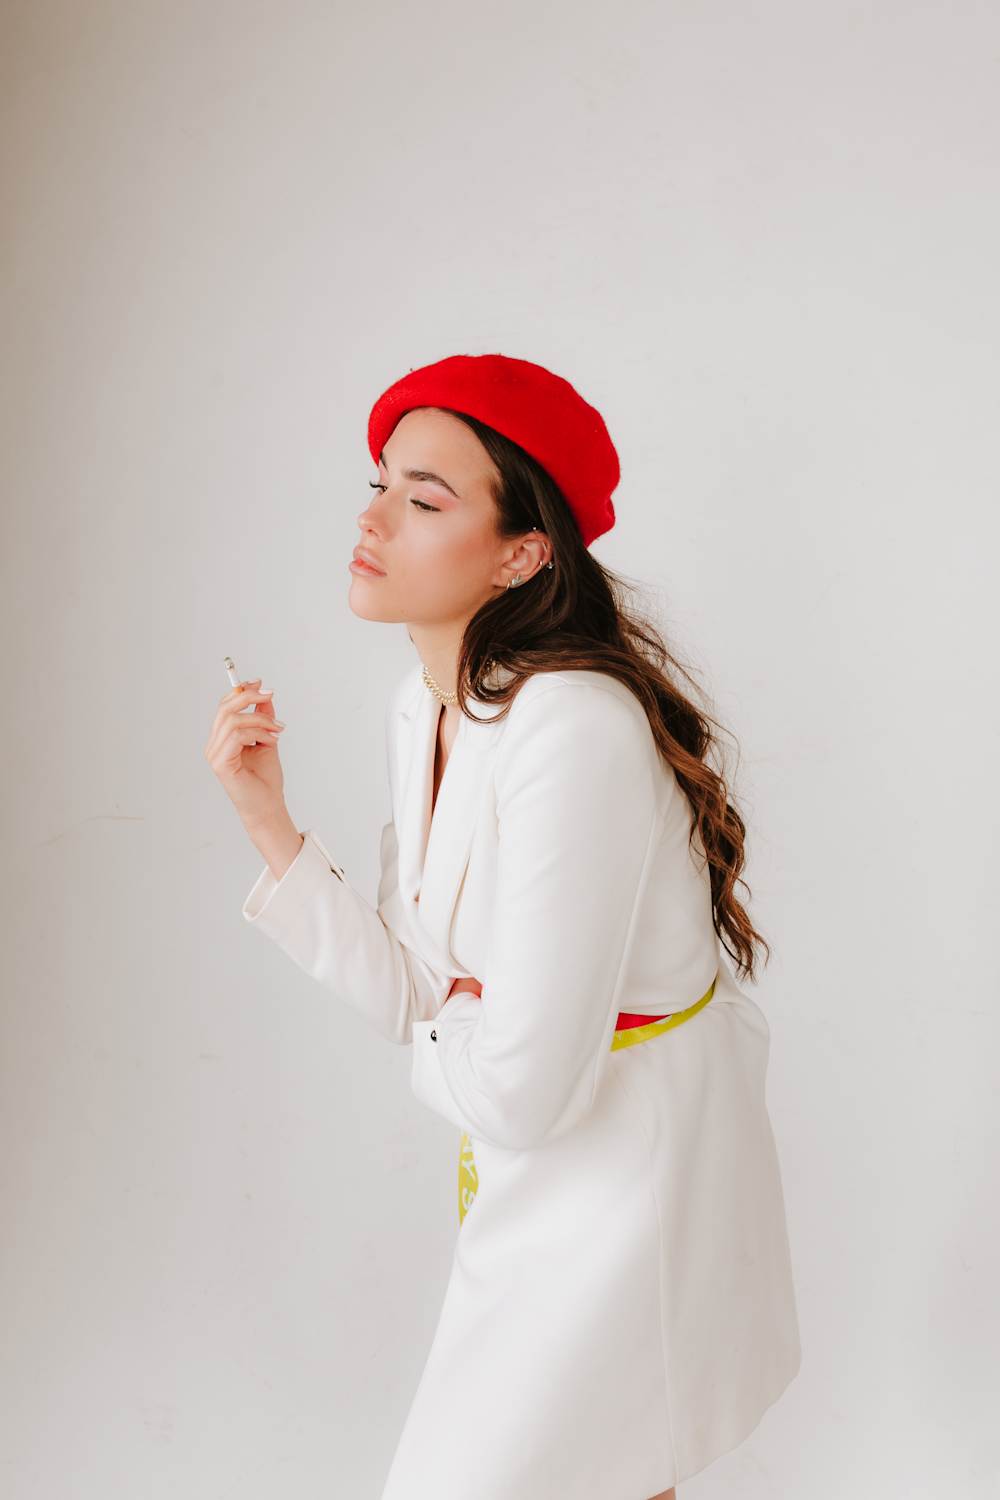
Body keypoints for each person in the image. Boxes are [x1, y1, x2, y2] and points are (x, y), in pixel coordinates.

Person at [205, 354, 800, 1499]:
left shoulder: (571, 725)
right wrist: (272, 827)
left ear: (524, 553)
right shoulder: (421, 704)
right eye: (377, 483)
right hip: (541, 1172)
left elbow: (526, 1090)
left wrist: (460, 1028)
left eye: (425, 500)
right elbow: (419, 993)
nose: (373, 517)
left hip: (634, 1182)